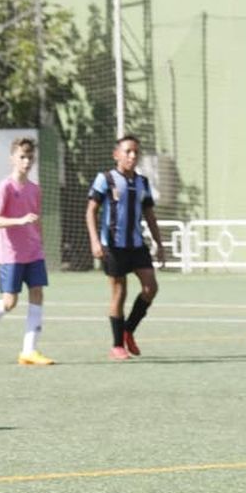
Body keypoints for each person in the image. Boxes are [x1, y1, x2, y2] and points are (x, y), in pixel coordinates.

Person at [0, 137, 53, 366]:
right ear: (12, 158)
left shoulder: (35, 189)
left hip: (34, 252)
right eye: (22, 157)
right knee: (9, 302)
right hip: (11, 254)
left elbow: (36, 219)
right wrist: (19, 221)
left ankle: (29, 351)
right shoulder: (4, 187)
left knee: (37, 294)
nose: (26, 161)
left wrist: (39, 240)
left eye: (30, 157)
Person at [85, 135, 167, 361]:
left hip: (137, 245)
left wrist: (159, 244)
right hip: (114, 247)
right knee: (119, 293)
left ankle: (128, 329)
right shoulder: (105, 179)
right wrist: (95, 240)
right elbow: (91, 211)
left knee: (151, 287)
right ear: (116, 154)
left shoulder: (142, 183)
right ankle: (117, 345)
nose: (132, 156)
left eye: (135, 152)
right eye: (128, 151)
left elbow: (149, 214)